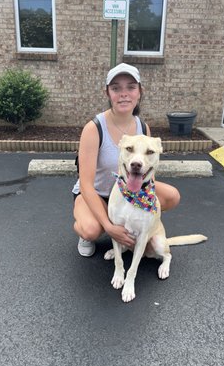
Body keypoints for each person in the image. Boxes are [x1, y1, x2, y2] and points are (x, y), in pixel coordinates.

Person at [72, 63, 180, 257]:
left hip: (127, 191)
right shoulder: (93, 128)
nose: (124, 93)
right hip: (95, 193)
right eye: (116, 88)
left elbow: (148, 171)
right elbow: (86, 185)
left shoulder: (142, 127)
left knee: (172, 195)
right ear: (108, 93)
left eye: (130, 87)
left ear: (139, 92)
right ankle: (95, 229)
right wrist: (109, 226)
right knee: (91, 229)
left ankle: (130, 226)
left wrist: (146, 218)